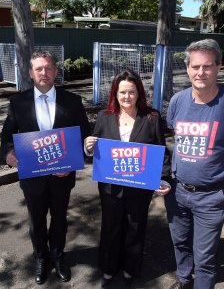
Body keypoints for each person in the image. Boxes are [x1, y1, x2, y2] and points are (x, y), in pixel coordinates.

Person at [164, 39, 224, 289]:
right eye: (195, 67)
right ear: (188, 68)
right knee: (180, 243)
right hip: (177, 191)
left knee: (204, 257)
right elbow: (177, 137)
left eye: (207, 66)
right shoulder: (177, 102)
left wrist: (223, 169)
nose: (200, 72)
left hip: (211, 196)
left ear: (218, 67)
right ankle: (183, 280)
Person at [0, 51, 90, 285]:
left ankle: (58, 257)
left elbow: (84, 135)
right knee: (36, 221)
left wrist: (72, 164)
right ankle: (41, 257)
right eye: (39, 68)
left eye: (49, 68)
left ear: (55, 72)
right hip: (33, 177)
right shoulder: (18, 102)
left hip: (62, 175)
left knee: (59, 219)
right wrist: (9, 153)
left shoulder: (72, 101)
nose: (44, 72)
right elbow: (7, 134)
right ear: (31, 73)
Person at [84, 69, 171, 287]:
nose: (126, 97)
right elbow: (96, 148)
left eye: (131, 92)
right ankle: (109, 267)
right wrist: (88, 148)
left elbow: (162, 151)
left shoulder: (151, 118)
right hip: (110, 187)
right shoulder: (105, 117)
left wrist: (164, 178)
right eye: (122, 92)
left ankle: (131, 268)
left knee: (135, 227)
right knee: (110, 227)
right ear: (115, 94)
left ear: (139, 93)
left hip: (139, 187)